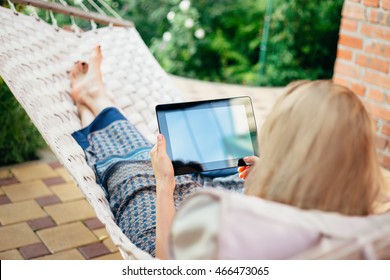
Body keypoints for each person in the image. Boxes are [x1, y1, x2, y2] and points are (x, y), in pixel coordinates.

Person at [69, 46, 387, 260]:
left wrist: (165, 186)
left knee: (135, 170)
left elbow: (167, 266)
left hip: (172, 240)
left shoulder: (226, 218)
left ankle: (94, 99)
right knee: (201, 164)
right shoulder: (372, 236)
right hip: (264, 205)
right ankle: (94, 99)